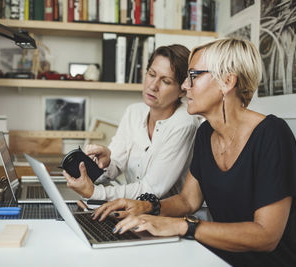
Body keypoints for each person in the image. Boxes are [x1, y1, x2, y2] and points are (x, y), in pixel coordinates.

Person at [92, 38, 296, 267]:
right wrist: (146, 207)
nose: (185, 86)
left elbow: (266, 236)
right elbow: (188, 200)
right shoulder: (206, 132)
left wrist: (183, 226)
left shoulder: (273, 135)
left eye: (194, 76)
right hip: (222, 258)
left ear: (227, 82)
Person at [64, 45, 200, 201]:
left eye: (166, 81)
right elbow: (114, 167)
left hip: (168, 219)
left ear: (182, 89)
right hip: (132, 212)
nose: (153, 86)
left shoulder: (184, 123)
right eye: (151, 74)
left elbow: (151, 190)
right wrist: (107, 162)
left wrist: (94, 193)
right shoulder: (134, 112)